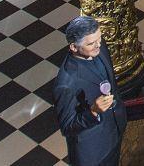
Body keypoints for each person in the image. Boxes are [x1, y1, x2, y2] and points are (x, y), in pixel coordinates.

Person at [53, 16, 127, 166]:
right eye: (91, 43)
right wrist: (93, 111)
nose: (98, 45)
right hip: (94, 152)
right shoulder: (66, 84)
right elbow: (68, 127)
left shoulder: (99, 47)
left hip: (115, 128)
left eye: (99, 39)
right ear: (73, 47)